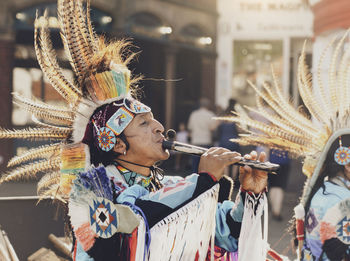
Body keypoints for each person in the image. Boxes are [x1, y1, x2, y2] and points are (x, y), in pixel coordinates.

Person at [0, 1, 270, 260]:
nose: (160, 128)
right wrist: (202, 181)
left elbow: (229, 235)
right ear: (117, 144)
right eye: (144, 123)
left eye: (153, 120)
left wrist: (250, 194)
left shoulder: (167, 186)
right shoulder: (91, 188)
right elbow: (131, 228)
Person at [219, 35, 350, 260]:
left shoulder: (328, 192)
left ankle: (276, 209)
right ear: (345, 160)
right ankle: (277, 210)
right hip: (273, 158)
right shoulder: (341, 200)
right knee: (277, 186)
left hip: (269, 157)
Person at [188, 97, 218, 173]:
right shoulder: (210, 115)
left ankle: (194, 180)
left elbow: (190, 127)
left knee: (195, 164)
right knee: (204, 165)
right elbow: (212, 128)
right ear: (208, 105)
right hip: (206, 140)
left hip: (195, 141)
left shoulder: (194, 114)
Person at [217, 99, 240, 179]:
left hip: (223, 141)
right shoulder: (235, 116)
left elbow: (216, 126)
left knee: (225, 160)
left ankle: (226, 178)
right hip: (233, 141)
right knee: (235, 159)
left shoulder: (223, 116)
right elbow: (239, 130)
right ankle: (233, 178)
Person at [268, 149, 290, 221]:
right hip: (283, 162)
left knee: (273, 186)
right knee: (279, 188)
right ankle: (276, 211)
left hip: (272, 161)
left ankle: (274, 209)